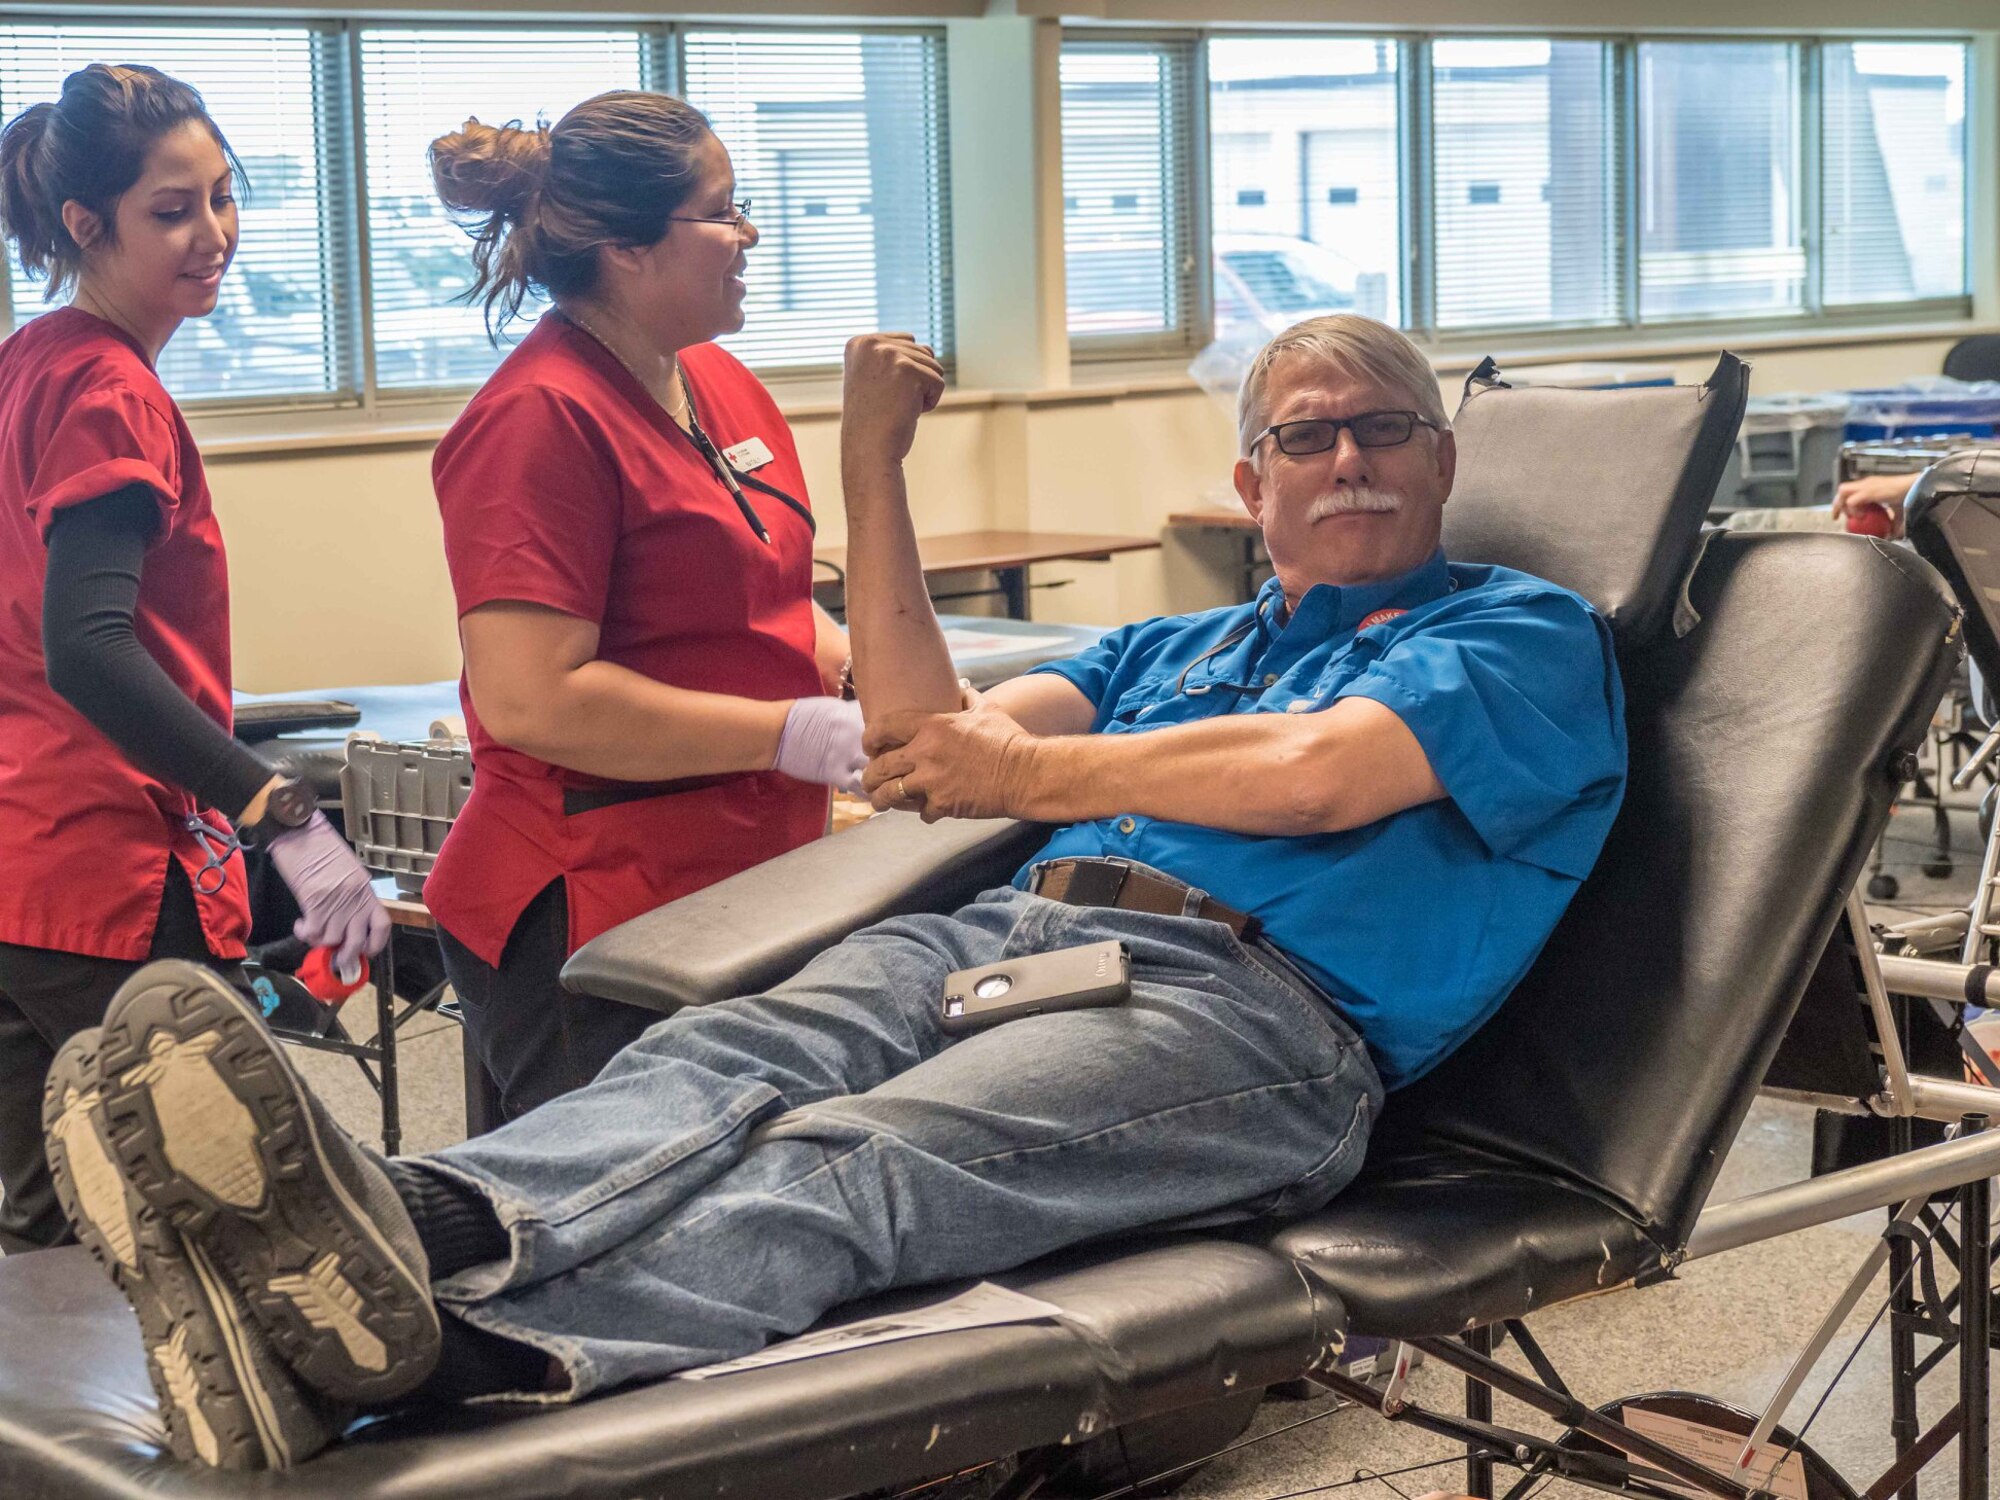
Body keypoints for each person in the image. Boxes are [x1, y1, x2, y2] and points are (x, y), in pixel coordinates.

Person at [44, 313, 1628, 1471]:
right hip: (1024, 934)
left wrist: (1031, 779)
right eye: (1307, 436)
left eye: (1384, 430)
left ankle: (449, 1353)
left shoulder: (1520, 632)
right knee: (719, 1063)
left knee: (854, 1162)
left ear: (1444, 458)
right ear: (1251, 481)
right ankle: (371, 1232)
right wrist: (874, 469)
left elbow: (1319, 776)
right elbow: (928, 742)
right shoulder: (1181, 646)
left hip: (1260, 1018)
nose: (1346, 459)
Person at [0, 64, 386, 1256]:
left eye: (224, 197)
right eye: (172, 211)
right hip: (101, 867)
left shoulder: (35, 360)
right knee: (234, 1214)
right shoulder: (107, 389)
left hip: (22, 865)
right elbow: (91, 651)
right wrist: (278, 811)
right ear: (85, 225)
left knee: (51, 1217)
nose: (212, 234)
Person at [421, 93, 868, 1119]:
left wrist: (862, 673)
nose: (748, 232)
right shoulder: (537, 421)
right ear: (625, 247)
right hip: (595, 905)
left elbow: (763, 590)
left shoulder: (715, 381)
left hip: (745, 877)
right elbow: (539, 700)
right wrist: (791, 732)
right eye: (721, 211)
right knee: (625, 1209)